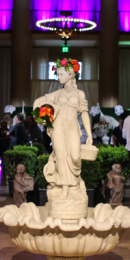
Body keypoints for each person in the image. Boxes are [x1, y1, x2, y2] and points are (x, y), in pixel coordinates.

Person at [33, 57, 92, 205]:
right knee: (60, 156)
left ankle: (75, 184)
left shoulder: (80, 94)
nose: (58, 77)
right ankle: (65, 187)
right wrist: (42, 118)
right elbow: (37, 103)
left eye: (60, 74)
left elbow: (84, 114)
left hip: (72, 128)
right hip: (58, 128)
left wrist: (89, 135)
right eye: (57, 74)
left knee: (75, 156)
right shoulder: (56, 94)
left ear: (71, 74)